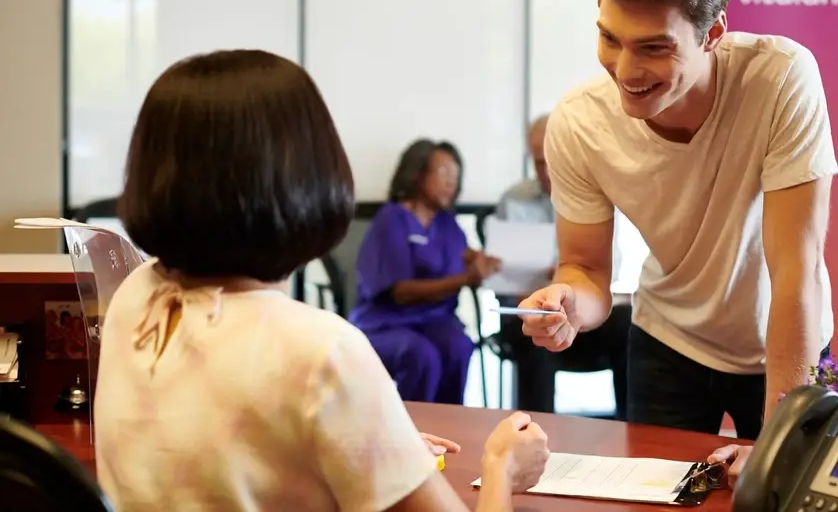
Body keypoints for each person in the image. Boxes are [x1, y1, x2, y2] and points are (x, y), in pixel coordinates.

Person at [95, 49, 549, 511]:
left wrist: (373, 433)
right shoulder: (321, 351)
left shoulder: (132, 296)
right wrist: (502, 467)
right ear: (306, 176)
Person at [517, 0, 837, 455]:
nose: (625, 70)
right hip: (667, 343)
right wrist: (571, 301)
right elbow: (587, 269)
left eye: (654, 48)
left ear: (711, 33)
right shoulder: (577, 121)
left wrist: (780, 439)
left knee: (782, 492)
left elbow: (795, 271)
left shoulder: (781, 79)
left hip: (783, 342)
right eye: (610, 39)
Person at [495, 115, 630, 418]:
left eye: (549, 160)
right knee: (533, 333)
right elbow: (503, 276)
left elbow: (609, 271)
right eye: (537, 161)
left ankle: (630, 429)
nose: (544, 170)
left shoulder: (597, 194)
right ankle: (533, 431)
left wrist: (573, 278)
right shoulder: (513, 201)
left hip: (587, 315)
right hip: (530, 311)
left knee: (630, 325)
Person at [349, 140, 501, 404]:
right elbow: (401, 293)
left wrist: (479, 263)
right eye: (443, 174)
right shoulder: (392, 219)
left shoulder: (447, 224)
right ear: (418, 173)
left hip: (433, 321)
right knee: (421, 355)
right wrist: (465, 278)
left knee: (459, 346)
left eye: (455, 177)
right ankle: (411, 437)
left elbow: (461, 256)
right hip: (386, 323)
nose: (450, 183)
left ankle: (450, 434)